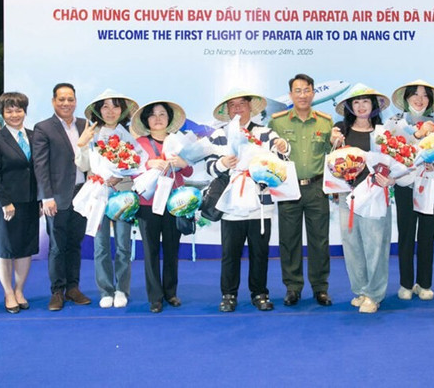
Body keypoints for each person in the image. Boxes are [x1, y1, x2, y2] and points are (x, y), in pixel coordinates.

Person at [205, 90, 288, 312]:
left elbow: (281, 163)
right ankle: (228, 294)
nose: (238, 108)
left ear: (251, 107)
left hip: (261, 205)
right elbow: (209, 167)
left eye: (242, 104)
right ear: (226, 110)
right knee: (230, 253)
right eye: (232, 105)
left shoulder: (266, 133)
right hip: (231, 205)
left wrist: (283, 147)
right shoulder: (218, 135)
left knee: (259, 252)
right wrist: (223, 163)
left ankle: (259, 293)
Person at [269, 73, 334, 307]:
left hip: (317, 188)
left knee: (320, 240)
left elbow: (333, 154)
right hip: (289, 188)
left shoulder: (326, 122)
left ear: (313, 93)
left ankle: (320, 288)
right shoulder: (278, 122)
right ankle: (293, 287)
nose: (303, 95)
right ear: (290, 95)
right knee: (289, 240)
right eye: (298, 91)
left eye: (307, 90)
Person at [76, 90, 143, 309]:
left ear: (122, 110)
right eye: (105, 106)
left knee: (123, 244)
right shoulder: (91, 134)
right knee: (101, 245)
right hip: (98, 192)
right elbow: (84, 166)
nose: (110, 111)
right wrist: (82, 144)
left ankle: (122, 288)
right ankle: (106, 290)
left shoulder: (130, 135)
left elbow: (137, 163)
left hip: (122, 193)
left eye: (115, 106)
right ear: (98, 110)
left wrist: (121, 173)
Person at [332, 84, 394, 313]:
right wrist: (333, 143)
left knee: (375, 245)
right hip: (348, 195)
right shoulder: (340, 130)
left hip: (376, 194)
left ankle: (374, 294)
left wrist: (392, 179)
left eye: (365, 101)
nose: (361, 106)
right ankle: (360, 290)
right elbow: (333, 163)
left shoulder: (384, 132)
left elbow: (396, 162)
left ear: (374, 105)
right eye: (356, 102)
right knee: (352, 244)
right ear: (349, 106)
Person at [33, 83, 92, 311]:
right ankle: (57, 291)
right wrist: (46, 196)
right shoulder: (43, 128)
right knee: (57, 246)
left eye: (70, 99)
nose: (66, 103)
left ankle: (73, 288)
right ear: (53, 101)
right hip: (56, 197)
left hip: (82, 194)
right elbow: (40, 165)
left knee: (75, 244)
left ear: (75, 101)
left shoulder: (84, 125)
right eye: (61, 99)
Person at [131, 100, 192, 313]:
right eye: (153, 114)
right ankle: (155, 297)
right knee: (151, 250)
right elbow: (129, 169)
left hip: (174, 202)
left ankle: (171, 292)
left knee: (172, 248)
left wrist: (182, 164)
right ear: (146, 119)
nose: (158, 118)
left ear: (169, 118)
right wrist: (147, 164)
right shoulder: (138, 143)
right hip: (148, 203)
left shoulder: (179, 142)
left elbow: (189, 172)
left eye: (162, 114)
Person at [389, 80, 434, 302]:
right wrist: (417, 137)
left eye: (424, 95)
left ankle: (424, 283)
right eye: (415, 94)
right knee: (405, 235)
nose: (419, 99)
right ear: (406, 98)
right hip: (405, 186)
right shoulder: (393, 124)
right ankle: (405, 283)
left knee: (427, 236)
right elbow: (389, 153)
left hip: (430, 185)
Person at [0, 92, 40, 314]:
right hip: (6, 204)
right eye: (9, 110)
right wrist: (4, 201)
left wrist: (42, 198)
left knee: (25, 248)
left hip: (29, 202)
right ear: (2, 113)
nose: (14, 114)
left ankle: (19, 290)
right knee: (5, 250)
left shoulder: (34, 136)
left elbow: (40, 170)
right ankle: (8, 293)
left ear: (25, 111)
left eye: (18, 110)